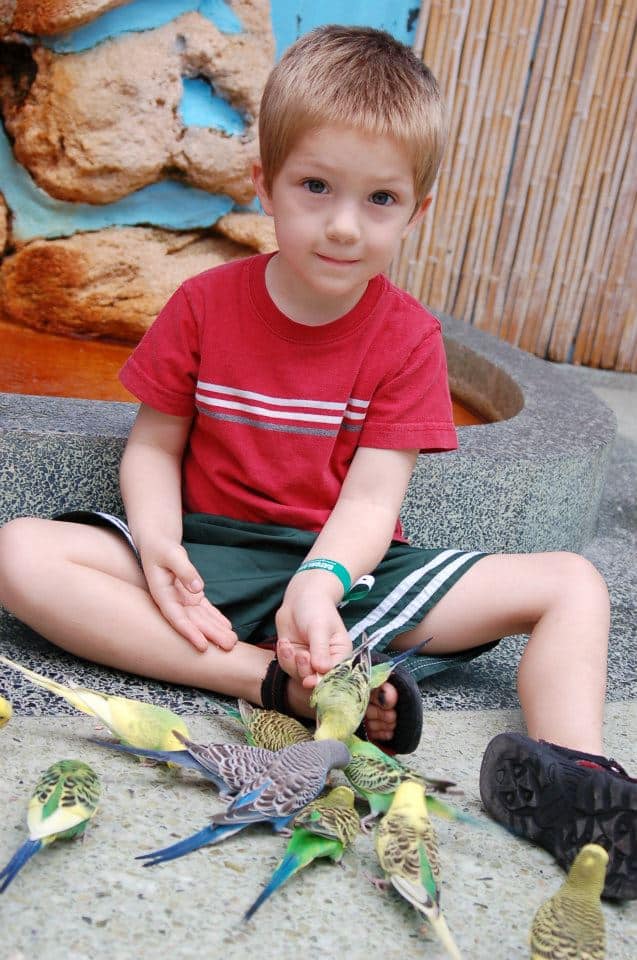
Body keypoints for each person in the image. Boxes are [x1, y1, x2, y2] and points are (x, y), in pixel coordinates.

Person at [0, 25, 634, 900]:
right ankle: (272, 684)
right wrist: (155, 546)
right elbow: (153, 445)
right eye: (314, 187)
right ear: (262, 184)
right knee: (20, 553)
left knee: (572, 582)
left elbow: (374, 497)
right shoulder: (202, 305)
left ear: (415, 210)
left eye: (380, 200)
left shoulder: (407, 338)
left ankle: (580, 782)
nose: (343, 225)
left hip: (348, 576)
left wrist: (320, 583)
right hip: (210, 553)